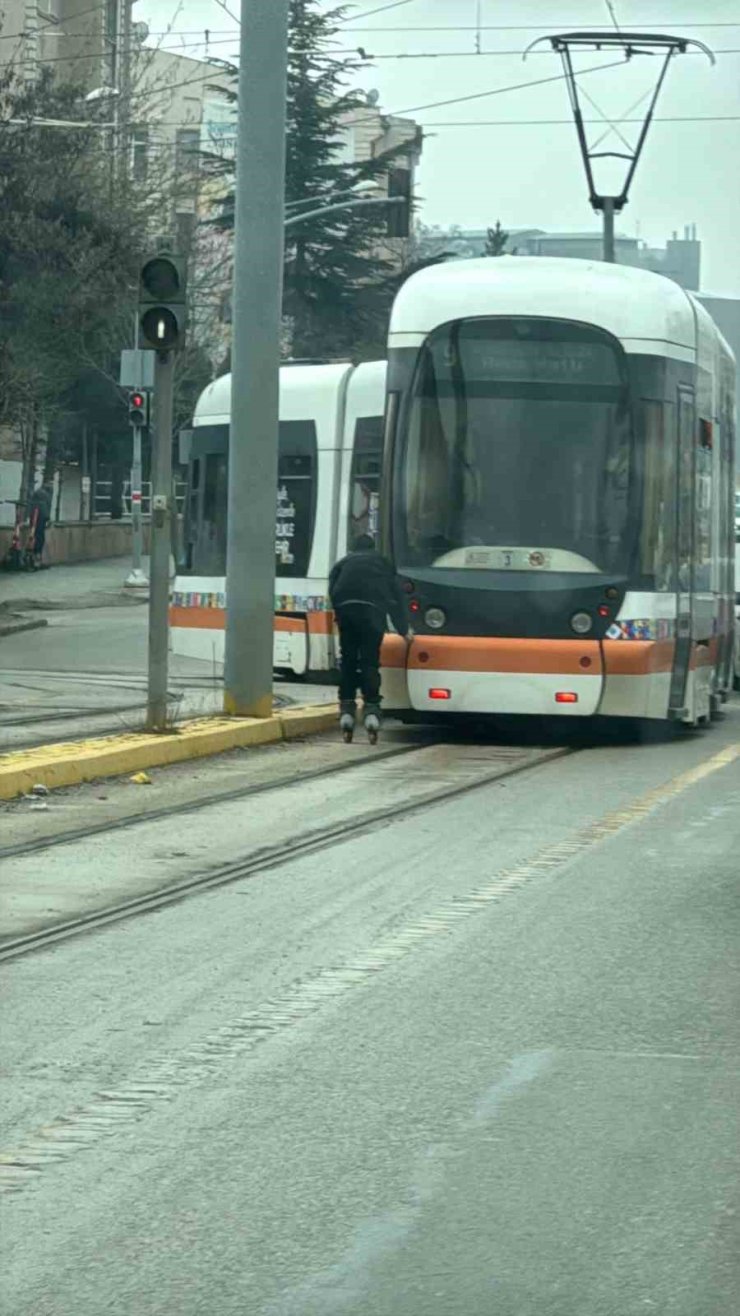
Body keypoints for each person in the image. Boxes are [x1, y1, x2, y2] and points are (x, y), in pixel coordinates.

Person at [329, 534, 411, 739]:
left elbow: (333, 592)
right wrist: (403, 630)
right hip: (372, 614)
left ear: (353, 548)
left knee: (347, 659)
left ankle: (346, 708)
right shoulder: (383, 563)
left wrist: (341, 616)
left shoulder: (342, 564)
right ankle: (372, 709)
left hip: (346, 611)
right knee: (369, 661)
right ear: (373, 548)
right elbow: (396, 598)